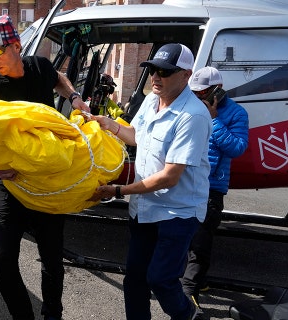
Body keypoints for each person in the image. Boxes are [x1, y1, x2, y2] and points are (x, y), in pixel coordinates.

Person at [0, 14, 89, 320]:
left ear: (15, 46)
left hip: (48, 182)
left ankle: (52, 314)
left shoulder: (39, 67)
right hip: (11, 184)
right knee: (1, 258)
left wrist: (75, 97)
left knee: (52, 258)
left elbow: (59, 80)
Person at [87, 43, 212, 319]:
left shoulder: (193, 116)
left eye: (165, 72)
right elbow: (136, 136)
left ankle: (189, 315)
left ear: (186, 75)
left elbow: (170, 176)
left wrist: (118, 190)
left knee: (160, 279)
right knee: (134, 280)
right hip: (145, 209)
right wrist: (110, 125)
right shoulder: (151, 100)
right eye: (153, 69)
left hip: (177, 212)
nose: (156, 76)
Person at [181, 66, 249, 317]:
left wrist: (215, 120)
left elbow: (238, 147)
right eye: (195, 92)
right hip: (186, 180)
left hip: (211, 187)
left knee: (200, 241)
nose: (197, 97)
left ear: (217, 91)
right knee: (185, 235)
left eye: (202, 93)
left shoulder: (236, 113)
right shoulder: (191, 105)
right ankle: (198, 280)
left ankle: (189, 295)